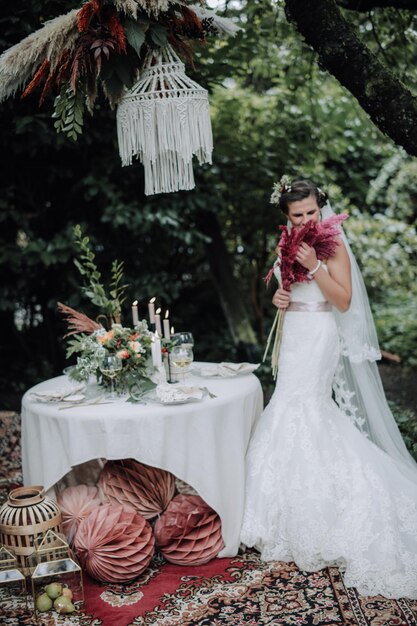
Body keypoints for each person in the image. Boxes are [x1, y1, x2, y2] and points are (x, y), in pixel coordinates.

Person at [240, 178, 417, 599]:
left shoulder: (332, 242)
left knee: (305, 407)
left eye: (311, 213)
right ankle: (279, 510)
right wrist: (281, 297)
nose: (305, 221)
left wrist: (314, 264)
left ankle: (328, 505)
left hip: (319, 334)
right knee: (285, 405)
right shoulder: (285, 240)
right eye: (297, 215)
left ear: (321, 208)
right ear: (286, 216)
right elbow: (289, 289)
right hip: (295, 328)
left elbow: (342, 300)